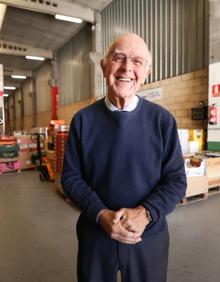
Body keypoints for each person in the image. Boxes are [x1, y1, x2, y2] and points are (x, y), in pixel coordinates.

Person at [61, 33, 186, 282]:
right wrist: (100, 214)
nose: (127, 68)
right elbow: (71, 178)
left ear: (147, 71)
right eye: (119, 58)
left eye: (137, 61)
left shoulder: (162, 121)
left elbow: (176, 181)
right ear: (104, 65)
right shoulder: (83, 121)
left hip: (147, 238)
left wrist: (146, 213)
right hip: (96, 236)